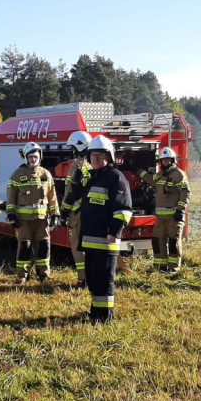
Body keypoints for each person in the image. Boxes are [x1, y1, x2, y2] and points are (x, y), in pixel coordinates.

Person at [62, 136, 132, 323]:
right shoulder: (94, 177)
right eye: (93, 155)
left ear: (109, 156)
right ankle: (95, 312)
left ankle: (105, 316)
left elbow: (123, 210)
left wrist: (114, 232)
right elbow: (84, 201)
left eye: (100, 155)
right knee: (93, 279)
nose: (96, 159)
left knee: (104, 280)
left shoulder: (116, 178)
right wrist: (76, 184)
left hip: (105, 240)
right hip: (91, 240)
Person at [6, 142, 59, 283]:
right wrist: (11, 214)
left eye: (35, 157)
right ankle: (22, 275)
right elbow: (11, 196)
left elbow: (52, 196)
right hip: (24, 220)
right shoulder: (17, 174)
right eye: (30, 157)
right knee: (25, 246)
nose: (33, 160)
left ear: (40, 157)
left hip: (42, 219)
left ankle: (44, 274)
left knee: (44, 246)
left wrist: (55, 214)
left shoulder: (45, 174)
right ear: (25, 157)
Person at [139, 147, 190, 273]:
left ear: (172, 160)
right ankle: (160, 268)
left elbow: (186, 193)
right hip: (161, 218)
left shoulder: (178, 175)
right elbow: (150, 179)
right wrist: (138, 171)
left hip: (174, 217)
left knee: (173, 243)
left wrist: (180, 210)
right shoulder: (160, 175)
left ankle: (173, 269)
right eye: (163, 160)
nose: (165, 162)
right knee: (157, 241)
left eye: (168, 160)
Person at [59, 131, 92, 287]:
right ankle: (90, 277)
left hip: (76, 214)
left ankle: (82, 279)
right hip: (89, 212)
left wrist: (64, 212)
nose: (72, 150)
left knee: (77, 247)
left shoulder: (75, 166)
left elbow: (70, 192)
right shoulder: (92, 165)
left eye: (73, 147)